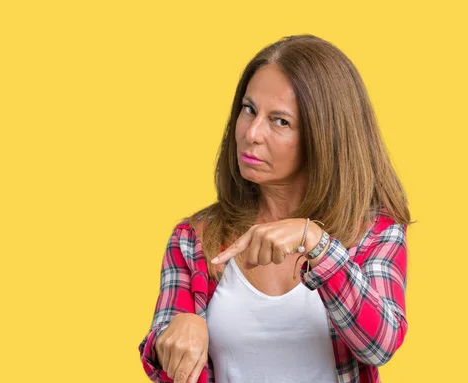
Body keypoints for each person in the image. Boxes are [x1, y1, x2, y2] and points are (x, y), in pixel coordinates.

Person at [138, 34, 412, 383]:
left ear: (325, 137)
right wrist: (173, 337)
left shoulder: (374, 232)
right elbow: (167, 362)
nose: (251, 133)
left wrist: (317, 243)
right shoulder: (193, 239)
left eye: (279, 121)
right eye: (249, 109)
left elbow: (380, 344)